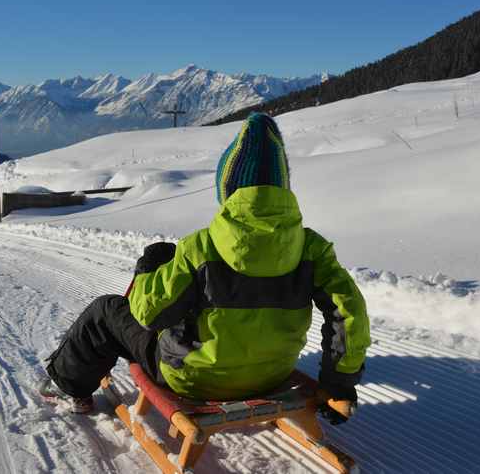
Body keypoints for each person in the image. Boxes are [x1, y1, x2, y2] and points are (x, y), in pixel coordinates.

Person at [40, 113, 371, 417]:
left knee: (105, 311)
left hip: (190, 380)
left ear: (226, 189)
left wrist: (148, 273)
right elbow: (349, 312)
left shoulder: (200, 248)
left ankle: (67, 386)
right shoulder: (312, 249)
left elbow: (149, 314)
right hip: (273, 375)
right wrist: (339, 382)